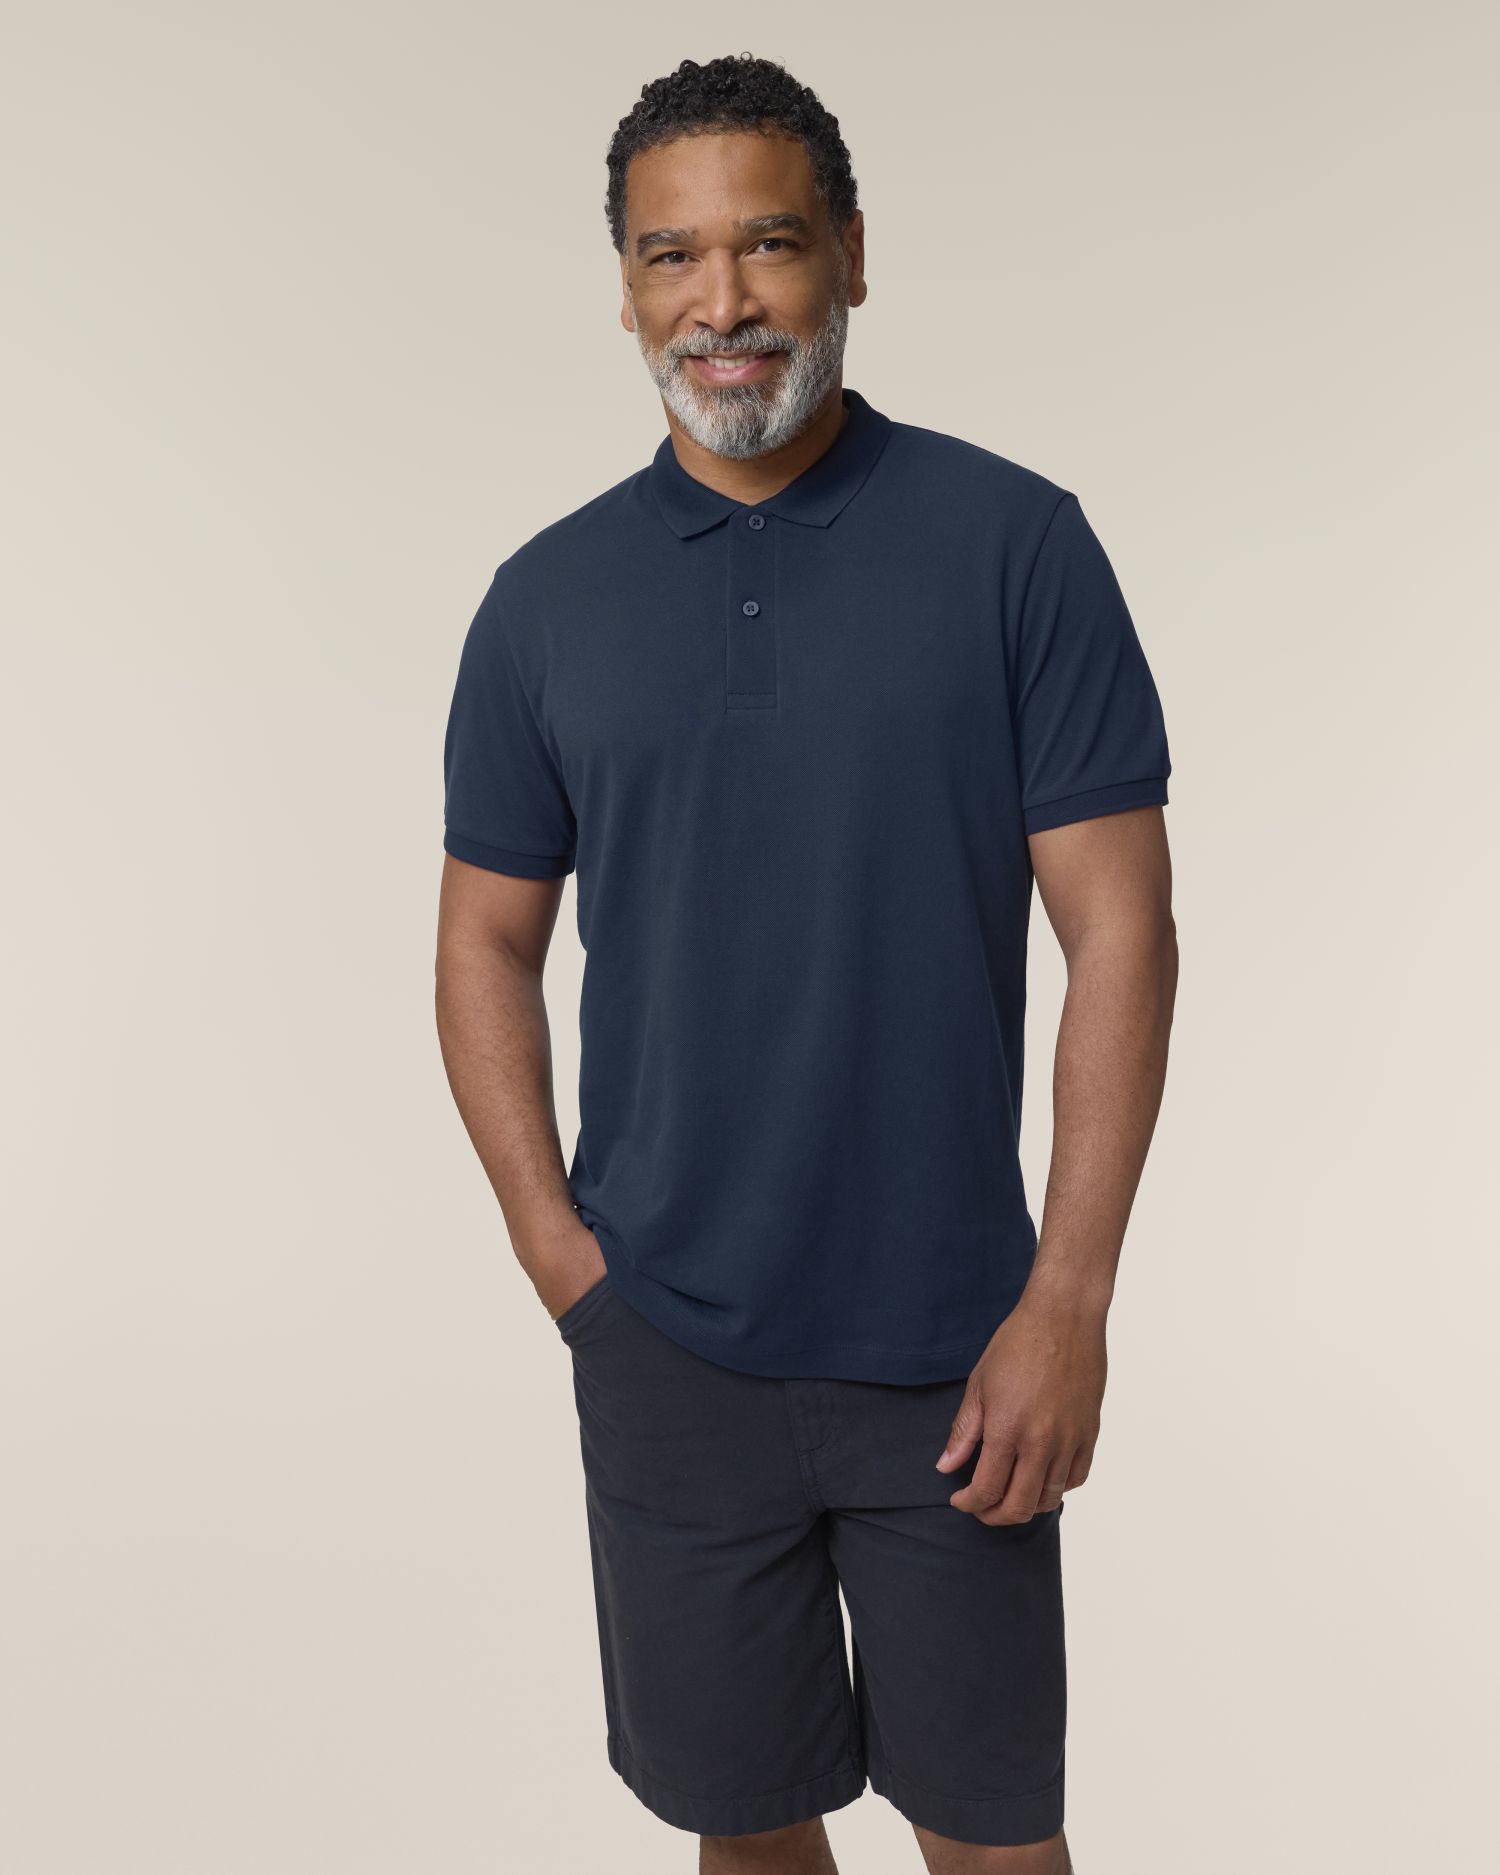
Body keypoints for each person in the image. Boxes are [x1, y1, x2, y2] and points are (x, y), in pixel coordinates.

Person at [434, 52, 1177, 1875]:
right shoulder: (544, 603)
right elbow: (484, 939)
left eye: (767, 244)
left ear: (851, 252)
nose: (724, 302)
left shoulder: (1016, 546)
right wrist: (565, 1267)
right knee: (747, 1831)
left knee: (994, 1843)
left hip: (960, 1347)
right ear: (625, 290)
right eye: (671, 256)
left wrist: (1068, 1301)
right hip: (667, 1342)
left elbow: (1122, 929)